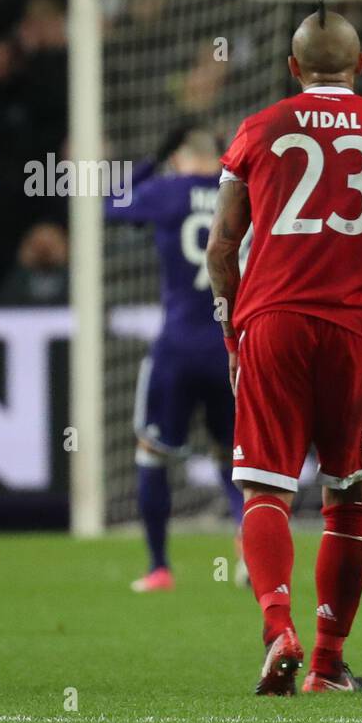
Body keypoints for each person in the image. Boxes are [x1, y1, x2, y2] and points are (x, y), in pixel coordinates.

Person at [207, 6, 362, 695]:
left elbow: (222, 245)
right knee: (350, 494)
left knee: (265, 485)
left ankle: (279, 625)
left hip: (272, 321)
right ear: (360, 67)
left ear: (293, 68)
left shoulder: (258, 129)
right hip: (358, 331)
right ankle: (328, 664)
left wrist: (233, 332)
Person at [104, 128, 247, 591]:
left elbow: (110, 205)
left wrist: (151, 158)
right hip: (232, 347)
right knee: (236, 460)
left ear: (181, 159)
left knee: (152, 453)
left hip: (178, 348)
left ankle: (159, 567)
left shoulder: (166, 190)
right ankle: (250, 552)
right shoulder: (243, 191)